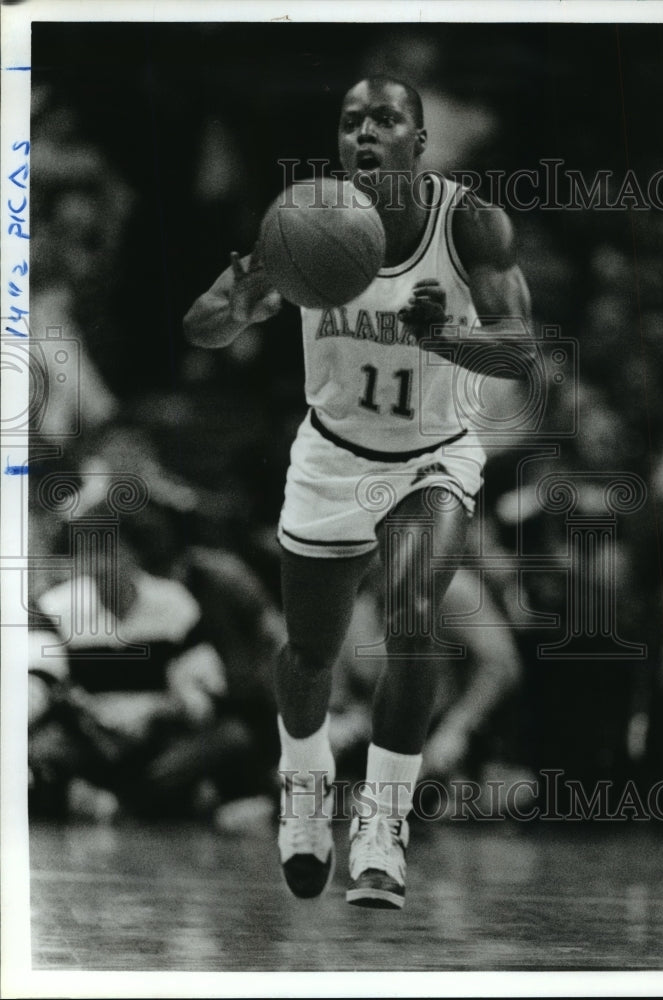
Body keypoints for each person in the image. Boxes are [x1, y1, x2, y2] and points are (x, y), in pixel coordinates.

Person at [184, 76, 532, 908]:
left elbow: (520, 352)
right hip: (334, 457)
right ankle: (303, 790)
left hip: (434, 456)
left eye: (384, 119)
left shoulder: (469, 221)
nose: (364, 133)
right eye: (349, 122)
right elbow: (202, 323)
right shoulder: (305, 223)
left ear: (419, 141)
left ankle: (382, 821)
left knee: (415, 617)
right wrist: (234, 307)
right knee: (311, 653)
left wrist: (446, 334)